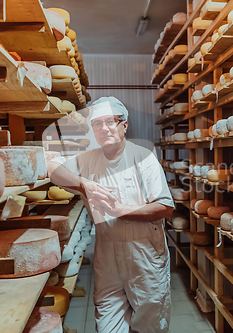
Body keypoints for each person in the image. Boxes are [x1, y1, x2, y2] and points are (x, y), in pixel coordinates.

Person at [47, 97, 174, 333]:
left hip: (144, 253)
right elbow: (51, 167)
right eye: (97, 123)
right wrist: (83, 184)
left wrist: (120, 211)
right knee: (107, 325)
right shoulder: (88, 159)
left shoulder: (143, 158)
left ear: (124, 125)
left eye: (110, 122)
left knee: (150, 326)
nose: (104, 128)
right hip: (107, 253)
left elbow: (165, 207)